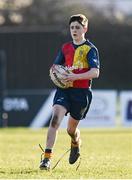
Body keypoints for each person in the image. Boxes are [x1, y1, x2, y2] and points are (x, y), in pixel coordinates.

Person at [39, 14, 100, 170]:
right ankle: (46, 159)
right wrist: (55, 73)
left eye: (77, 27)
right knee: (54, 121)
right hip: (64, 90)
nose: (74, 30)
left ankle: (75, 142)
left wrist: (75, 76)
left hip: (81, 93)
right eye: (72, 27)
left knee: (71, 129)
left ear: (85, 29)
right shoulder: (65, 47)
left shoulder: (90, 49)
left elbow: (95, 72)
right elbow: (55, 67)